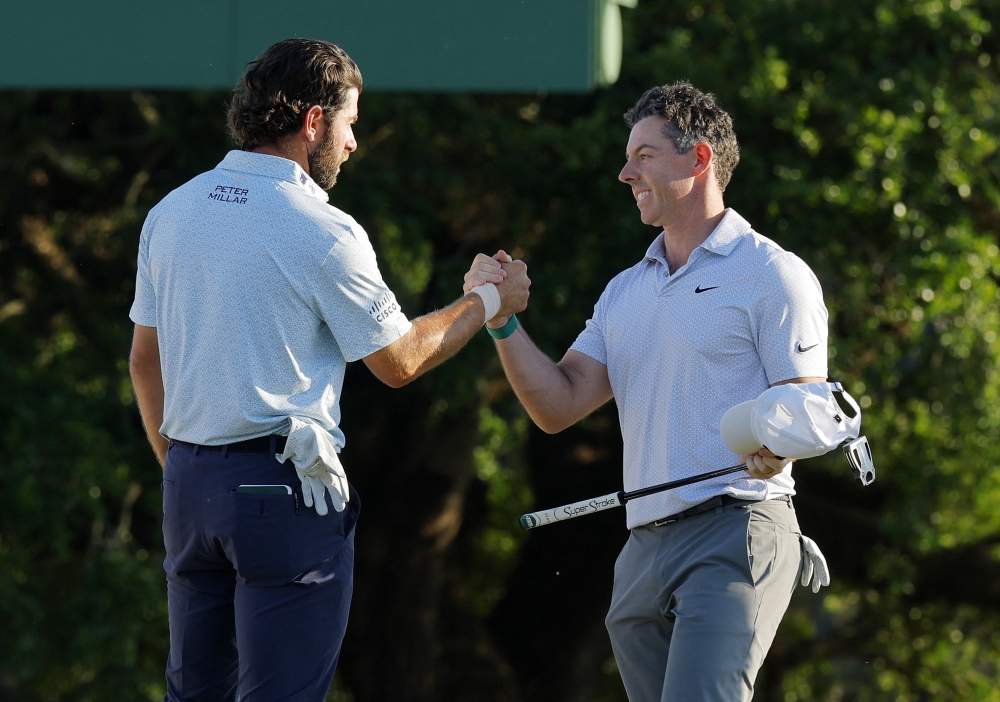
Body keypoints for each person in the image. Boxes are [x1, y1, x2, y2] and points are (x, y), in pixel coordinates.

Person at [127, 38, 528, 702]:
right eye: (349, 125)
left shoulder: (170, 213)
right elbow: (399, 362)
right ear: (314, 120)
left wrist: (180, 466)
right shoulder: (322, 228)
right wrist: (486, 300)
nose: (352, 144)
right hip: (279, 491)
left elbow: (145, 360)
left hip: (189, 486)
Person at [464, 82, 829, 701]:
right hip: (642, 547)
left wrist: (778, 445)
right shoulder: (624, 291)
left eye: (645, 155)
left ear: (700, 158)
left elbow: (805, 404)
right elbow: (557, 405)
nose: (625, 172)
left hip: (735, 527)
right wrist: (500, 319)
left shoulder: (772, 273)